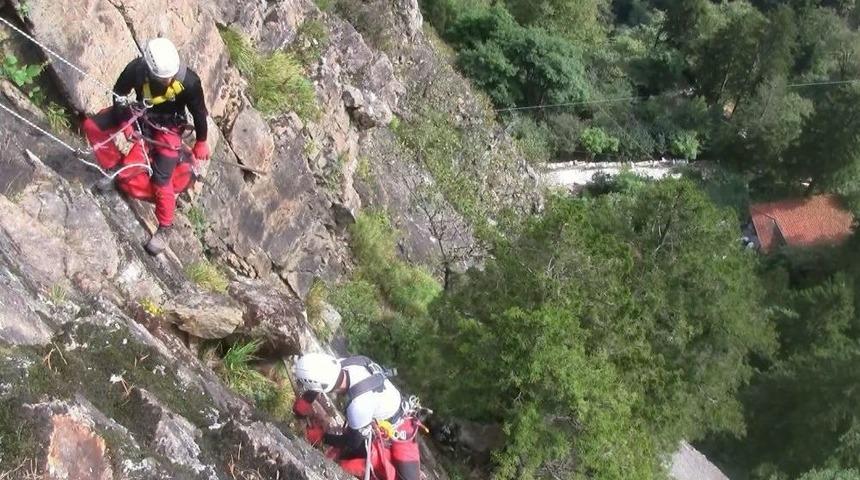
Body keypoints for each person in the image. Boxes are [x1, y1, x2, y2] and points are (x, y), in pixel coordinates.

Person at [82, 37, 210, 255]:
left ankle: (166, 227)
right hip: (138, 114)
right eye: (163, 78)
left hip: (168, 126)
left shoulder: (188, 81)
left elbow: (199, 112)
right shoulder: (136, 70)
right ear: (151, 71)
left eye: (171, 76)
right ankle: (118, 170)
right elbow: (119, 95)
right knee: (92, 126)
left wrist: (202, 141)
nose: (169, 80)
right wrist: (125, 123)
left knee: (162, 178)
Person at [292, 353, 422, 480]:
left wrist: (323, 437)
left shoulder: (358, 405)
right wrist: (305, 401)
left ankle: (376, 460)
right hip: (382, 414)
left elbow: (353, 442)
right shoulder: (349, 363)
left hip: (402, 428)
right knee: (341, 456)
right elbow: (322, 377)